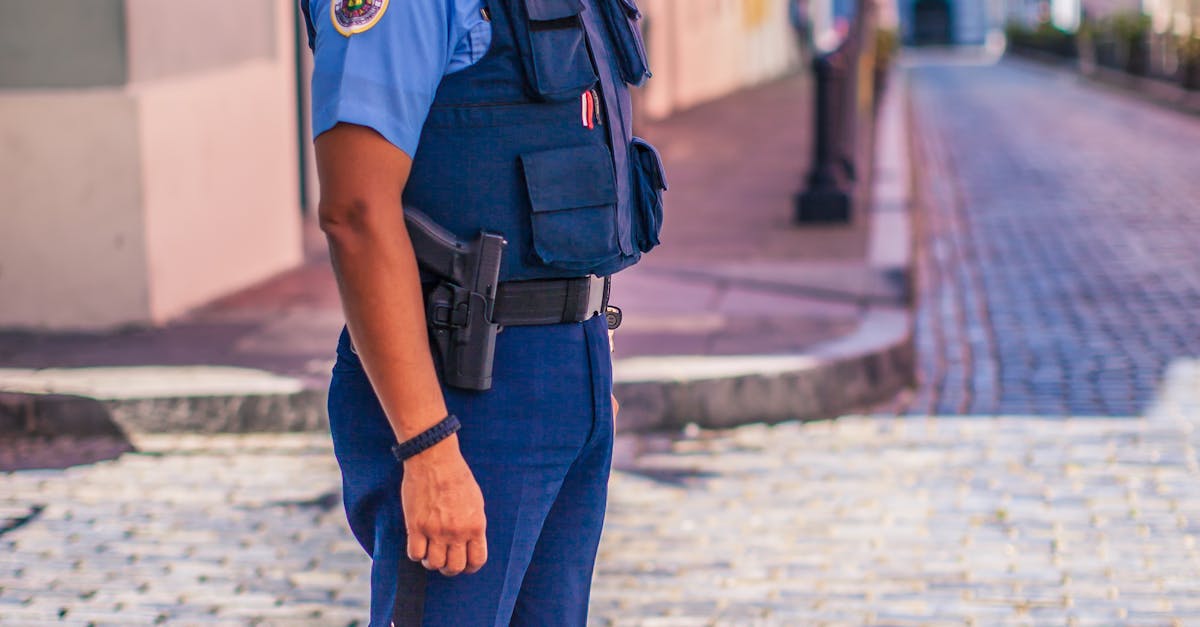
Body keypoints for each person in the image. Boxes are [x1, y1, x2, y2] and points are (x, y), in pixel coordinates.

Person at [300, 0, 666, 624]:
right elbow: (356, 211)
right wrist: (427, 446)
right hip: (462, 379)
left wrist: (580, 355)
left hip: (563, 360)